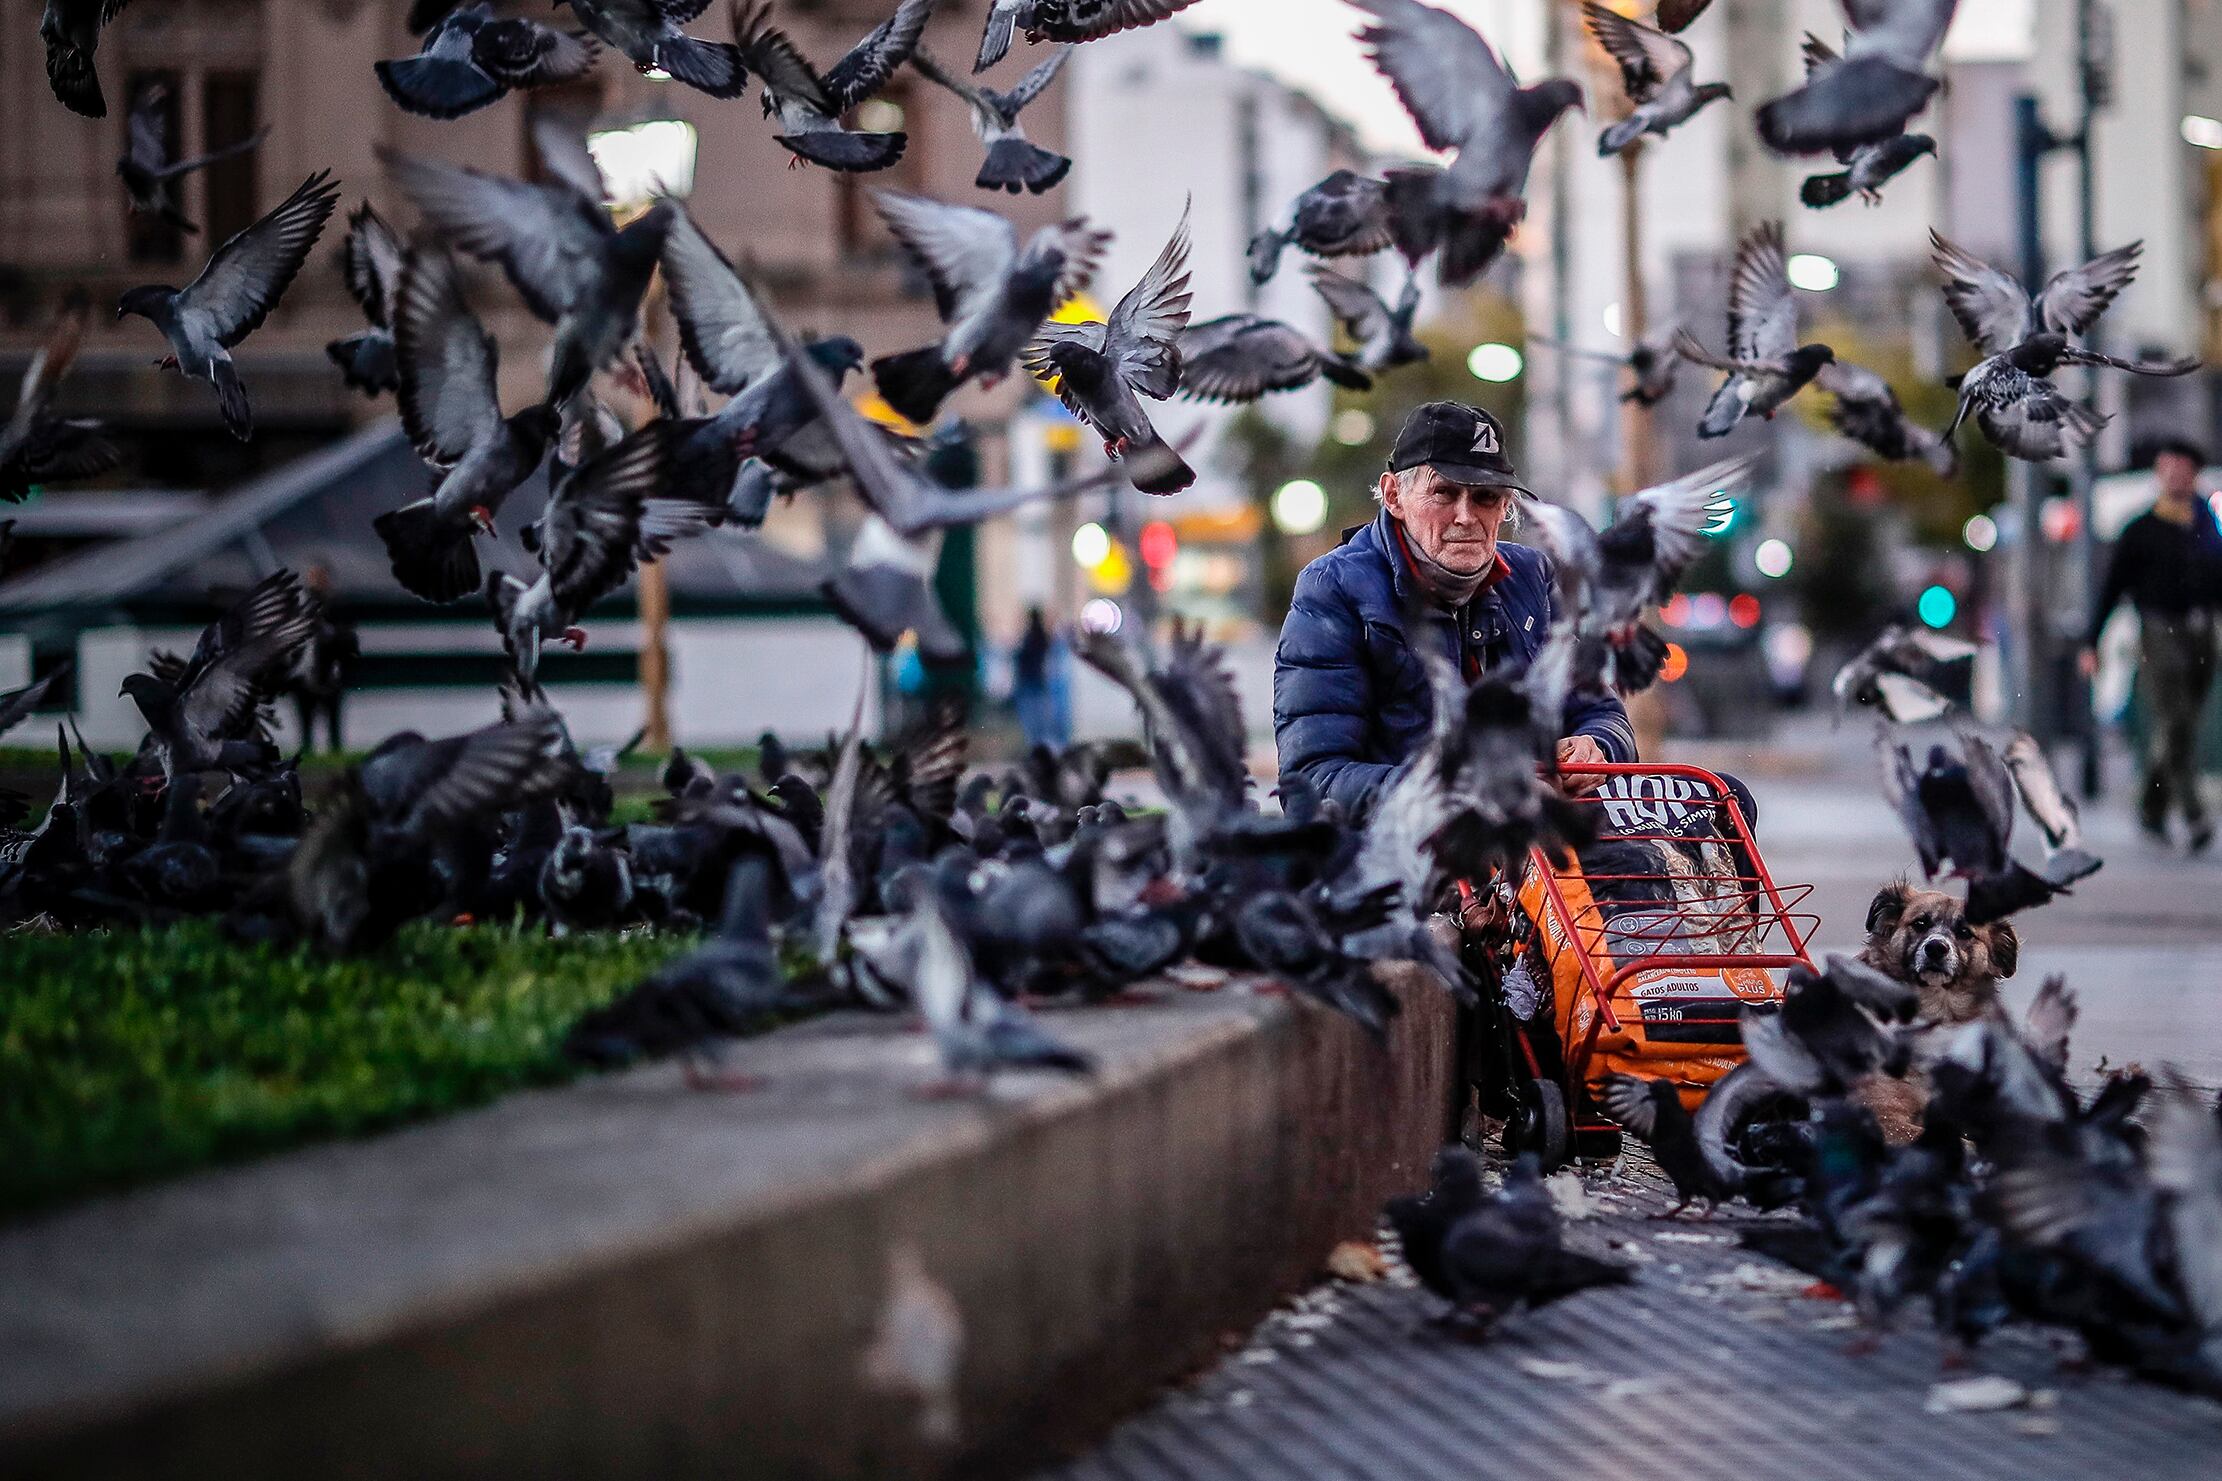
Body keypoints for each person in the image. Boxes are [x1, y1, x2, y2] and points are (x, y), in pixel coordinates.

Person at [1273, 400, 1637, 824]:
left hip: (1528, 845)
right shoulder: (1333, 588)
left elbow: (1601, 711)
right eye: (1444, 492)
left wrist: (1596, 745)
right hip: (1397, 860)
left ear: (1505, 507)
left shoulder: (1531, 575)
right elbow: (1312, 782)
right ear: (1394, 495)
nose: (1466, 516)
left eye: (1485, 496)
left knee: (1723, 798)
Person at [2080, 436, 2222, 850]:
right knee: (2175, 719)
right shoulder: (2141, 529)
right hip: (2160, 630)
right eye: (2169, 466)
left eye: (2183, 466)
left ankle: (2151, 806)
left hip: (2203, 629)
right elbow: (2112, 587)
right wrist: (2093, 642)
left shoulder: (2207, 522)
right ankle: (2194, 814)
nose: (2176, 474)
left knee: (2182, 725)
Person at [1012, 606, 1065, 750]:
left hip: (1031, 684)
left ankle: (1040, 751)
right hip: (1036, 684)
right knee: (1039, 723)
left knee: (1034, 724)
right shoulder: (1041, 637)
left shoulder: (1031, 638)